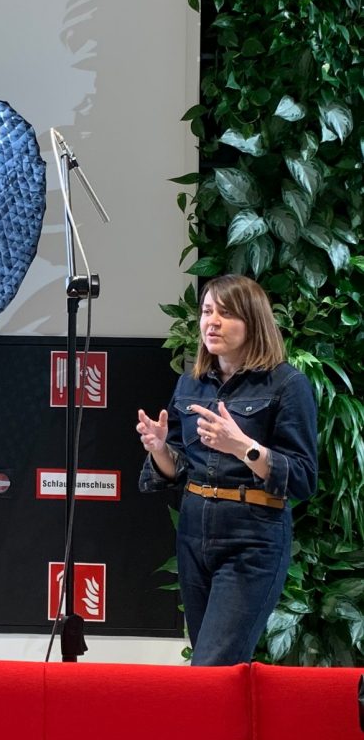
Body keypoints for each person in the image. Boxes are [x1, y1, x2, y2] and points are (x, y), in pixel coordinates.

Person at [136, 274, 317, 666]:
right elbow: (178, 469)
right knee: (216, 674)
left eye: (226, 313)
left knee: (211, 666)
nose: (211, 322)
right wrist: (160, 448)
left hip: (253, 537)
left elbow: (302, 477)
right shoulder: (191, 383)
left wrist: (244, 448)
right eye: (206, 312)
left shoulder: (287, 385)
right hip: (194, 531)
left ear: (253, 322)